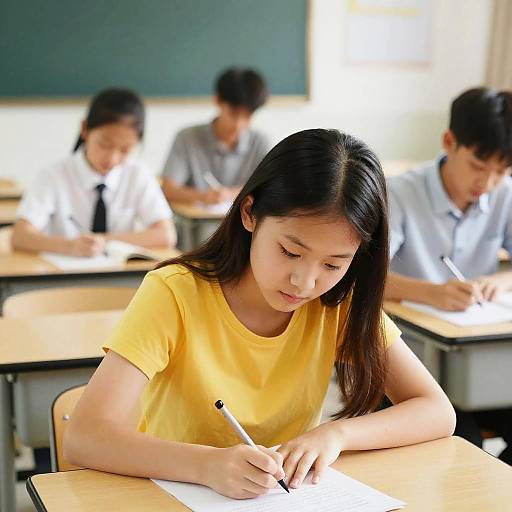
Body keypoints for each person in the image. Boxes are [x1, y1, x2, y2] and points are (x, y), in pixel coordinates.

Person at [65, 129, 455, 499]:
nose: (304, 282)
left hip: (278, 498)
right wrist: (208, 465)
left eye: (334, 265)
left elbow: (436, 411)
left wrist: (335, 435)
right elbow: (85, 436)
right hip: (174, 495)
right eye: (290, 252)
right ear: (249, 213)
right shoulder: (175, 292)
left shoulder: (337, 304)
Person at [385, 87, 512, 463]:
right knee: (460, 445)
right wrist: (430, 292)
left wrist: (499, 281)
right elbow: (359, 279)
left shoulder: (504, 193)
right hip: (408, 357)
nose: (487, 182)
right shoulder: (399, 194)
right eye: (478, 165)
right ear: (448, 141)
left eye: (502, 170)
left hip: (478, 364)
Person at [12, 88, 176, 256]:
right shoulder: (53, 174)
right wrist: (69, 246)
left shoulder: (138, 174)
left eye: (125, 150)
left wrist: (103, 241)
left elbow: (166, 235)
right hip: (62, 275)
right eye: (104, 145)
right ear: (84, 129)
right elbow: (20, 236)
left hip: (117, 274)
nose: (112, 158)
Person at [161, 67, 270, 206]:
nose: (238, 124)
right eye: (233, 114)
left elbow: (268, 188)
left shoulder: (260, 142)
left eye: (247, 116)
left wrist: (230, 194)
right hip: (197, 224)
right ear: (217, 100)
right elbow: (168, 189)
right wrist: (203, 196)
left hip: (246, 226)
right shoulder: (187, 138)